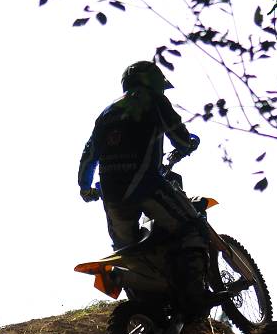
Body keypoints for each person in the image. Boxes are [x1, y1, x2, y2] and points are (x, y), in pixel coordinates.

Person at [78, 60, 209, 315]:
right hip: (146, 185)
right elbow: (178, 135)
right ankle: (196, 295)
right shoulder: (154, 101)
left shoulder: (105, 115)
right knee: (193, 226)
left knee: (127, 252)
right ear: (153, 82)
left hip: (111, 196)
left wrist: (85, 188)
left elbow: (88, 156)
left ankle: (147, 306)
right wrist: (187, 144)